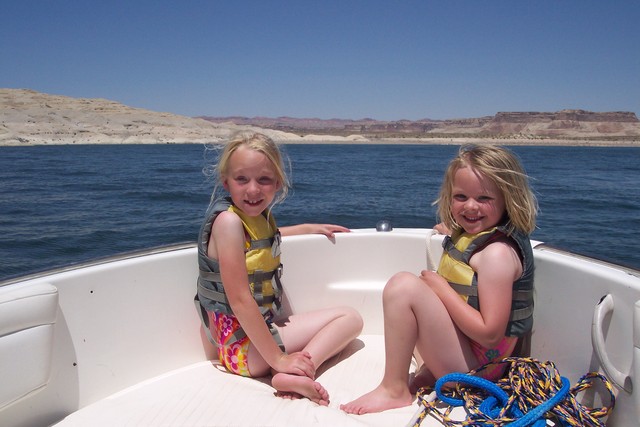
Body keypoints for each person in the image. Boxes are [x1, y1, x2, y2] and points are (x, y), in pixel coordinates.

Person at [341, 144, 537, 414]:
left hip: (478, 375)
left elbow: (491, 335)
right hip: (468, 356)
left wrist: (442, 289)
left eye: (484, 199)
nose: (470, 206)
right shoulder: (478, 238)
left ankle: (394, 389)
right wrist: (454, 231)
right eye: (461, 196)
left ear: (508, 198)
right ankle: (429, 372)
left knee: (403, 287)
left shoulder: (497, 256)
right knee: (414, 289)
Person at [195, 131, 363, 406]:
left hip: (236, 346)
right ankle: (292, 371)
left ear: (277, 183)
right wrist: (279, 358)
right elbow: (238, 299)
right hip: (245, 350)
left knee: (348, 320)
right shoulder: (228, 223)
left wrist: (307, 228)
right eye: (242, 179)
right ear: (226, 182)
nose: (253, 189)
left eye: (263, 180)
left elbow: (262, 241)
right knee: (351, 318)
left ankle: (287, 370)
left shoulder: (252, 219)